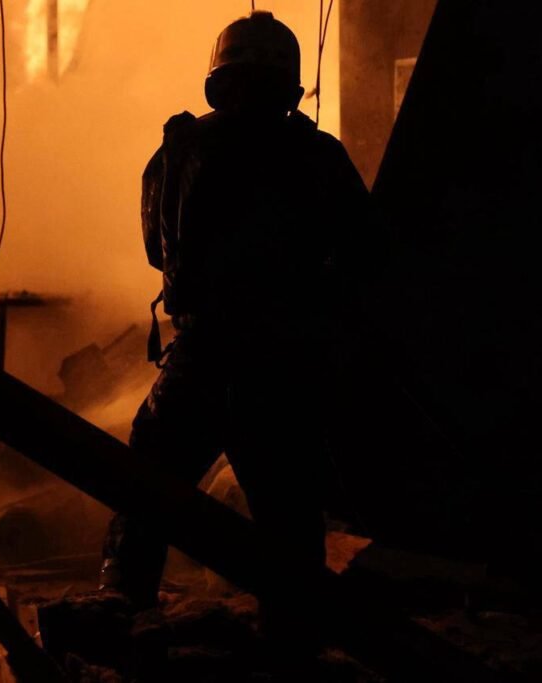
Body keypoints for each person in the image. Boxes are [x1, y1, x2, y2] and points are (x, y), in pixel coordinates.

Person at [100, 11, 375, 625]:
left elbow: (157, 250)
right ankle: (293, 637)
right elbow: (364, 254)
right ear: (290, 85)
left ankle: (118, 614)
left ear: (218, 78)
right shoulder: (319, 155)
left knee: (145, 494)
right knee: (288, 514)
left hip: (200, 358)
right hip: (282, 365)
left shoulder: (181, 148)